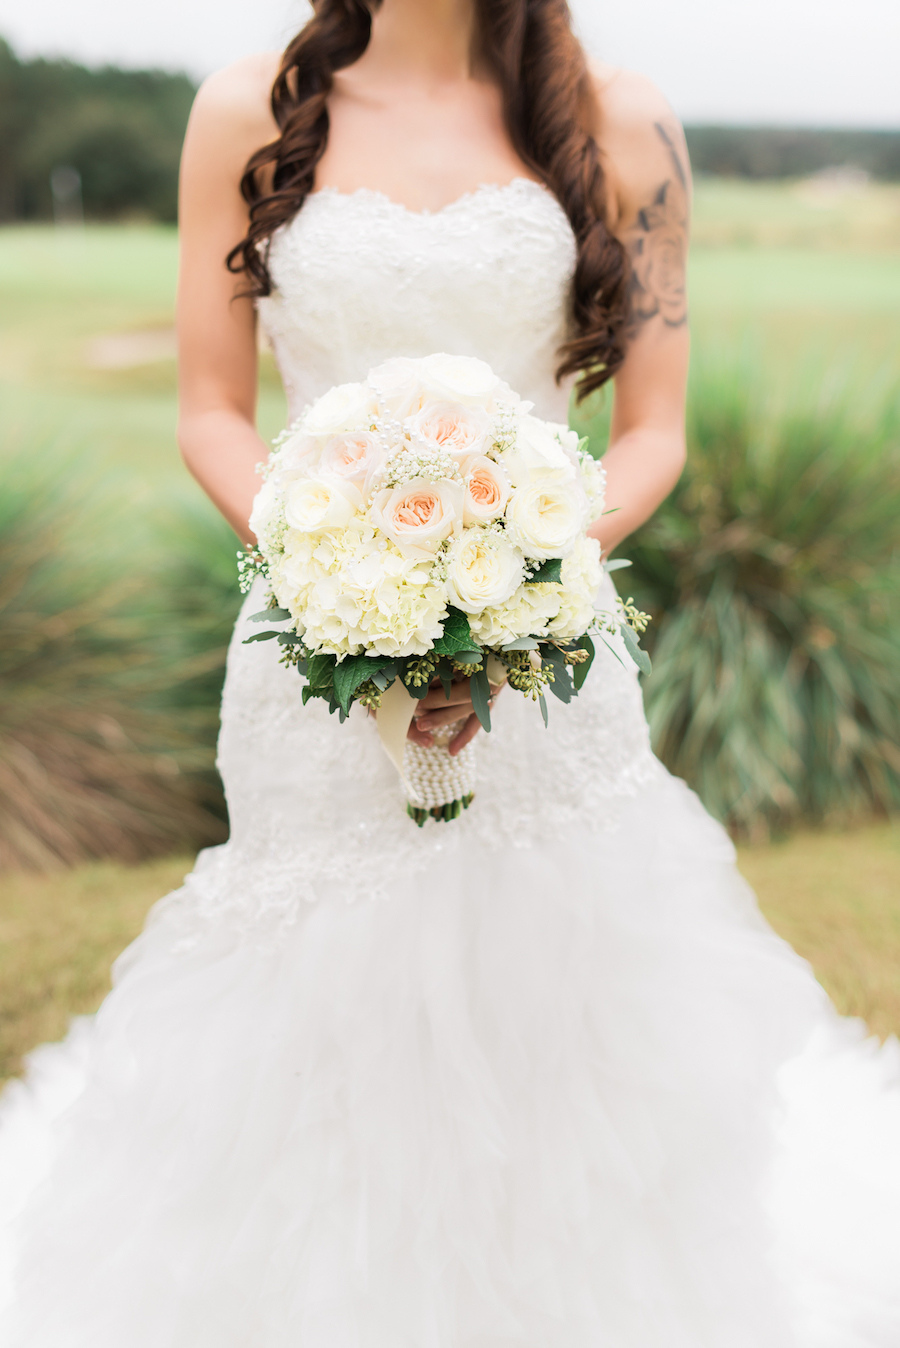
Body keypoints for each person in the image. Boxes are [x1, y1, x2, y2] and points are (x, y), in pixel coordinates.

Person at [1, 1, 898, 1343]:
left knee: (558, 991)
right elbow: (209, 407)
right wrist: (345, 579)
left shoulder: (625, 122)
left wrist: (522, 573)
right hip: (312, 641)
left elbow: (651, 430)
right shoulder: (249, 111)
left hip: (550, 641)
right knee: (327, 996)